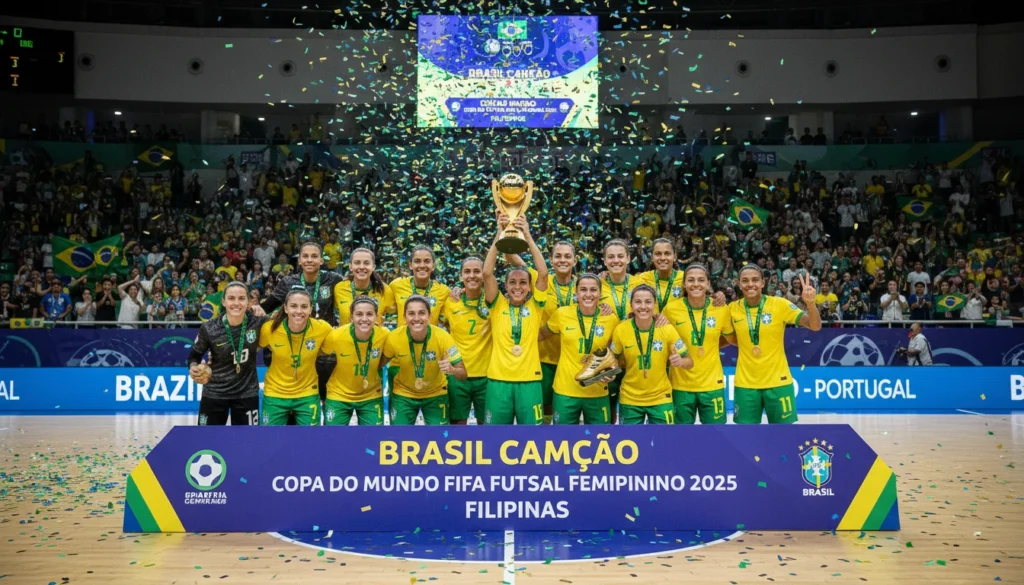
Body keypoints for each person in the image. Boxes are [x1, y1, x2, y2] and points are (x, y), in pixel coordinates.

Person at [729, 268, 821, 425]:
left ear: (763, 283)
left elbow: (815, 325)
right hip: (745, 385)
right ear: (738, 284)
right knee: (746, 439)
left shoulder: (780, 305)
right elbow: (728, 338)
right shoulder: (731, 309)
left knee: (783, 438)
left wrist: (811, 304)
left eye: (755, 280)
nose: (750, 284)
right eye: (745, 281)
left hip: (779, 383)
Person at [482, 214, 549, 425]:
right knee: (495, 437)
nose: (518, 287)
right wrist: (498, 233)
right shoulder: (498, 304)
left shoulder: (535, 306)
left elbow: (544, 273)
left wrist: (528, 236)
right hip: (498, 381)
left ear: (530, 286)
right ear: (506, 286)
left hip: (530, 381)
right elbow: (486, 272)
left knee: (532, 436)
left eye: (523, 283)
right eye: (512, 282)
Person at [261, 242, 344, 409]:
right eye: (305, 256)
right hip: (296, 350)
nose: (309, 260)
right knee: (297, 404)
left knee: (328, 403)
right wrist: (255, 309)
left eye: (314, 256)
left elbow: (349, 301)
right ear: (299, 260)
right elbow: (266, 307)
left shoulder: (334, 279)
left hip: (324, 352)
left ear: (322, 260)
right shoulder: (288, 281)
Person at [504, 240, 579, 424]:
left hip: (573, 360)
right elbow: (509, 256)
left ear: (575, 260)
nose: (563, 260)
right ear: (551, 260)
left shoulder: (584, 286)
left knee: (569, 411)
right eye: (558, 256)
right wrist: (509, 231)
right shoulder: (541, 279)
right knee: (545, 409)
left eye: (567, 256)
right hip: (543, 358)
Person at [538, 274, 620, 424]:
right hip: (565, 390)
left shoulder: (611, 319)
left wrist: (611, 371)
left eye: (593, 290)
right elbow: (541, 334)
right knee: (562, 441)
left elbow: (614, 353)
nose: (588, 294)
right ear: (576, 292)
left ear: (600, 294)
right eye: (583, 289)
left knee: (601, 440)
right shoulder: (562, 314)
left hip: (597, 390)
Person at [663, 264, 735, 425]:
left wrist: (712, 345)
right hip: (680, 386)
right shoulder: (671, 309)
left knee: (716, 438)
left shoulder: (720, 308)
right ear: (683, 284)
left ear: (708, 284)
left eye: (701, 280)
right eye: (691, 280)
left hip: (712, 385)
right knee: (680, 438)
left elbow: (732, 339)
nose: (696, 284)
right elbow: (661, 338)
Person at [610, 285, 693, 424]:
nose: (643, 306)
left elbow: (689, 361)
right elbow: (612, 360)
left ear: (655, 304)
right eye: (638, 302)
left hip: (661, 398)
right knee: (631, 443)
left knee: (664, 442)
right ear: (631, 305)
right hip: (630, 398)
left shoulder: (666, 329)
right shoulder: (621, 330)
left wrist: (680, 362)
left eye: (648, 302)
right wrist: (609, 371)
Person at [188, 282, 267, 425]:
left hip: (246, 393)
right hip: (214, 392)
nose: (236, 303)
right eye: (231, 298)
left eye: (242, 298)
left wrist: (263, 309)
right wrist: (194, 367)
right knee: (206, 442)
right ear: (223, 301)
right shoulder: (209, 328)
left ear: (248, 301)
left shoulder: (258, 322)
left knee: (248, 442)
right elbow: (194, 355)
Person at [383, 295, 467, 425]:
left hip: (436, 393)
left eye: (422, 313)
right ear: (404, 317)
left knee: (440, 438)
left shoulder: (443, 337)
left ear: (429, 315)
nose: (417, 318)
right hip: (404, 394)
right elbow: (377, 364)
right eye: (411, 313)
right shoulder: (394, 338)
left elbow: (463, 374)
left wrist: (452, 370)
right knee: (398, 437)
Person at [257, 288, 334, 426]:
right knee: (269, 441)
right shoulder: (269, 329)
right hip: (275, 393)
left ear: (311, 309)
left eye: (304, 306)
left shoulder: (323, 329)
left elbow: (326, 349)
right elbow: (252, 348)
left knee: (310, 441)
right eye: (293, 306)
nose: (299, 311)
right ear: (285, 308)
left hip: (307, 394)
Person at [320, 296, 390, 425]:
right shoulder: (337, 335)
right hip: (339, 394)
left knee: (373, 441)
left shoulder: (384, 334)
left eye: (369, 314)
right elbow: (317, 353)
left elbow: (392, 353)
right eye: (359, 314)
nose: (364, 319)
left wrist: (378, 365)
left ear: (376, 316)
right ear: (351, 317)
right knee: (331, 439)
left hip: (371, 395)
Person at [442, 257, 492, 425]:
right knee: (458, 427)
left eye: (477, 271)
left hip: (486, 376)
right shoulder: (450, 302)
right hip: (457, 374)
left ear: (484, 275)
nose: (472, 276)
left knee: (486, 427)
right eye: (467, 272)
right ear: (461, 275)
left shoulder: (493, 302)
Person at [599, 239, 639, 423]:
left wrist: (715, 293)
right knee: (608, 413)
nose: (616, 260)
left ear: (628, 258)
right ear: (605, 261)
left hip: (634, 358)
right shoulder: (596, 286)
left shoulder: (640, 282)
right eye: (611, 257)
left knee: (634, 412)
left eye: (620, 256)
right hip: (608, 358)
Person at [333, 247, 395, 326]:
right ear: (350, 266)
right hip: (346, 337)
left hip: (375, 338)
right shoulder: (339, 288)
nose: (361, 267)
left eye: (366, 263)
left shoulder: (384, 289)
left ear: (373, 267)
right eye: (357, 263)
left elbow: (393, 318)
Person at [636, 238, 685, 312]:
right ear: (652, 257)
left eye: (667, 253)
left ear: (674, 257)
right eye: (658, 254)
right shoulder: (642, 279)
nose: (662, 258)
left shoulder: (685, 279)